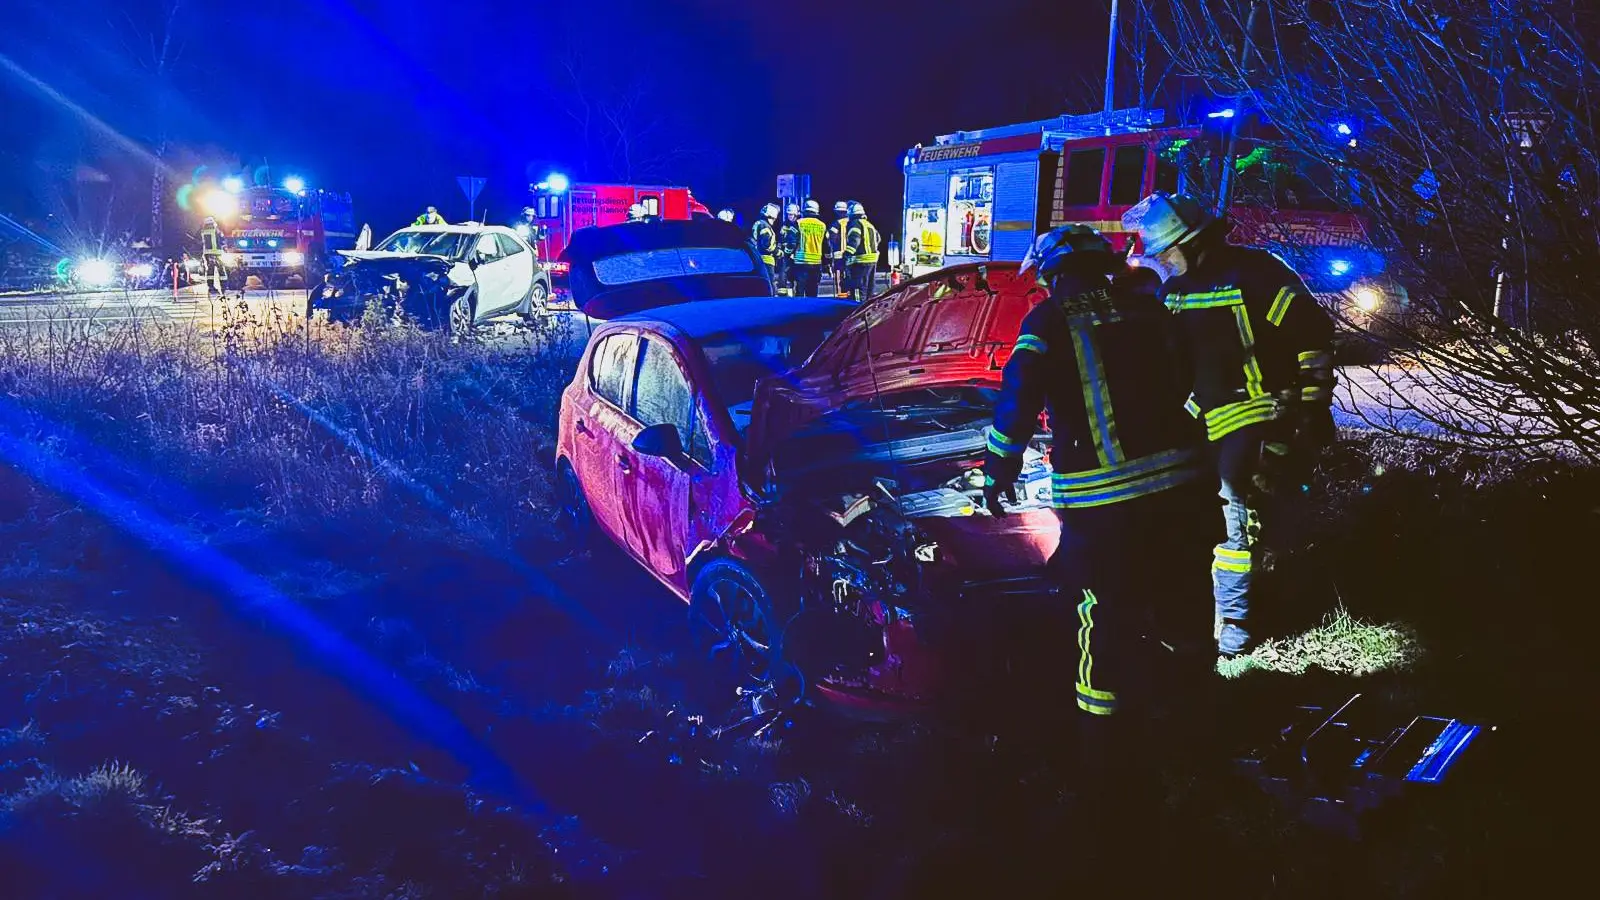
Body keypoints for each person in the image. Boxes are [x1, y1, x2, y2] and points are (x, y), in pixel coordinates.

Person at [981, 224, 1214, 866]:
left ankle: (1102, 761)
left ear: (1052, 275)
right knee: (1186, 602)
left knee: (1103, 616)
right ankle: (1197, 725)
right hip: (1184, 489)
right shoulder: (1150, 306)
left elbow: (1018, 399)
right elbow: (1196, 376)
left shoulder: (1049, 320)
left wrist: (997, 470)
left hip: (1107, 504)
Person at [1122, 192, 1337, 657]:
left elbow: (1312, 333)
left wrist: (1314, 406)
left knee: (1231, 512)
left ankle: (1235, 623)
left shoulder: (1256, 274)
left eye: (1166, 252)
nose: (1162, 261)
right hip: (1201, 422)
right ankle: (1199, 615)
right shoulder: (1174, 292)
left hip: (1260, 413)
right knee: (1191, 517)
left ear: (1192, 241)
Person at [844, 201, 880, 302]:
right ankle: (868, 308)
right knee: (869, 288)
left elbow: (854, 240)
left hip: (861, 262)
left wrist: (846, 254)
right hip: (872, 260)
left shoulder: (855, 224)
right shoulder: (869, 224)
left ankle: (857, 308)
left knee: (858, 289)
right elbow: (878, 239)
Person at [791, 200, 827, 297]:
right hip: (816, 263)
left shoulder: (798, 223)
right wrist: (827, 262)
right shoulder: (822, 225)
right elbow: (826, 246)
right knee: (813, 291)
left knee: (799, 290)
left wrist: (788, 255)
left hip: (801, 262)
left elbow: (792, 242)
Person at [826, 200, 850, 297]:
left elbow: (830, 238)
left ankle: (841, 296)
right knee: (849, 277)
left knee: (839, 278)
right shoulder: (852, 222)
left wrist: (829, 254)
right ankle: (849, 296)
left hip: (838, 256)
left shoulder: (835, 224)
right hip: (851, 256)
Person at [777, 203, 802, 296]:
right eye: (788, 214)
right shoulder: (784, 224)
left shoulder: (798, 225)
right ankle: (783, 293)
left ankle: (794, 292)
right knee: (783, 273)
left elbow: (795, 242)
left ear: (796, 215)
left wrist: (788, 252)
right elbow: (780, 238)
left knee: (794, 275)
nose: (789, 216)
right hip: (785, 253)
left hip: (794, 254)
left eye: (791, 214)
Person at [752, 203, 780, 283]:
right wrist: (778, 252)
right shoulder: (764, 226)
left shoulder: (759, 223)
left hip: (758, 258)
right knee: (769, 284)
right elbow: (767, 245)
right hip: (766, 260)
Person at [199, 216, 227, 296]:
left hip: (207, 254)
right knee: (221, 270)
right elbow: (222, 240)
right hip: (217, 254)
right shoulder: (216, 231)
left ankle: (211, 287)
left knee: (210, 271)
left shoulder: (203, 231)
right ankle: (224, 287)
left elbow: (202, 243)